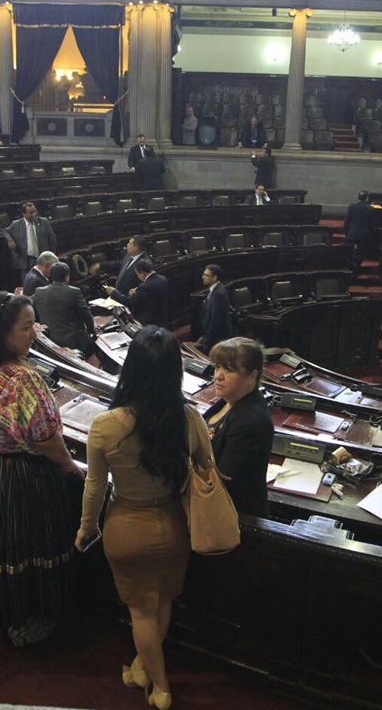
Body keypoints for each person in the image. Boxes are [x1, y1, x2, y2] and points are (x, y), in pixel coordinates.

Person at [75, 327, 213, 710]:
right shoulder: (189, 419)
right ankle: (141, 670)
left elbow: (94, 487)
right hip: (172, 526)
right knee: (161, 602)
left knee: (141, 610)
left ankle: (161, 686)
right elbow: (208, 470)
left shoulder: (106, 425)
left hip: (126, 525)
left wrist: (88, 527)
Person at [0, 292, 83, 646]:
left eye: (33, 324)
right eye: (25, 327)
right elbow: (45, 439)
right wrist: (70, 467)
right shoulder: (22, 378)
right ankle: (26, 618)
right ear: (0, 333)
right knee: (22, 548)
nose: (33, 333)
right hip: (15, 479)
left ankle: (1, 614)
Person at [208, 337, 273, 517]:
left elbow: (222, 481)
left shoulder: (251, 421)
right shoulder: (226, 401)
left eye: (229, 370)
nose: (218, 375)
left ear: (252, 376)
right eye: (217, 367)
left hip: (235, 518)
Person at [33, 262, 96, 356]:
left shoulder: (39, 292)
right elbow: (86, 315)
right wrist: (92, 331)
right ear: (67, 276)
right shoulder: (74, 292)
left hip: (49, 341)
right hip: (73, 343)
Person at [105, 259, 169, 327]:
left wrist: (113, 292)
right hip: (162, 317)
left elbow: (128, 301)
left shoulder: (144, 287)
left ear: (142, 273)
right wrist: (138, 290)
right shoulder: (162, 278)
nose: (138, 277)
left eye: (137, 274)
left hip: (149, 321)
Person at [2, 202, 57, 275]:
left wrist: (51, 257)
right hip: (26, 262)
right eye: (30, 213)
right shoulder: (16, 224)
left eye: (35, 211)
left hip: (43, 261)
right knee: (28, 284)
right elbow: (5, 231)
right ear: (24, 214)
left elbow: (52, 240)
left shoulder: (44, 222)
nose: (34, 214)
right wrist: (10, 240)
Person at [194, 264, 233, 351]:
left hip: (218, 340)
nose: (203, 277)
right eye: (203, 274)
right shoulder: (212, 291)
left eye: (206, 275)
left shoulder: (218, 294)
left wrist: (207, 342)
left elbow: (215, 320)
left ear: (215, 277)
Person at [344, 190, 376, 269]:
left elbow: (346, 222)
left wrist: (346, 233)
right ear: (367, 198)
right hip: (364, 235)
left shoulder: (351, 207)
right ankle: (357, 267)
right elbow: (372, 225)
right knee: (361, 253)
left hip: (352, 233)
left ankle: (351, 266)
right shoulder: (371, 209)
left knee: (349, 252)